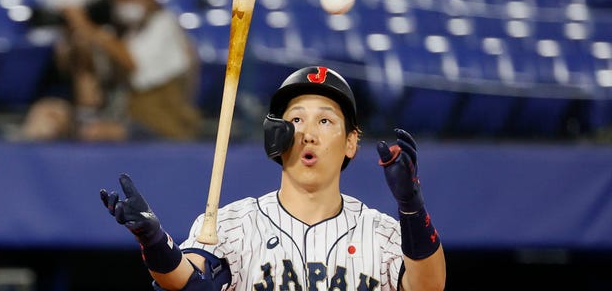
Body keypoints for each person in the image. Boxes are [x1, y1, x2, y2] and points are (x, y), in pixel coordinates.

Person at [100, 66, 446, 290]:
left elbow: (429, 287)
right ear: (275, 135)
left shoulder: (383, 234)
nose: (308, 134)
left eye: (325, 121)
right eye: (296, 120)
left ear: (352, 141)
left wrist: (412, 208)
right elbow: (187, 282)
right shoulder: (235, 224)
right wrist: (154, 240)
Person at [23, 0, 202, 142]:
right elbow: (90, 94)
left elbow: (131, 62)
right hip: (124, 118)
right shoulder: (121, 33)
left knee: (97, 134)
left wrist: (87, 28)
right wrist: (79, 46)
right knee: (47, 119)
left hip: (164, 126)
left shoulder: (164, 24)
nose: (127, 1)